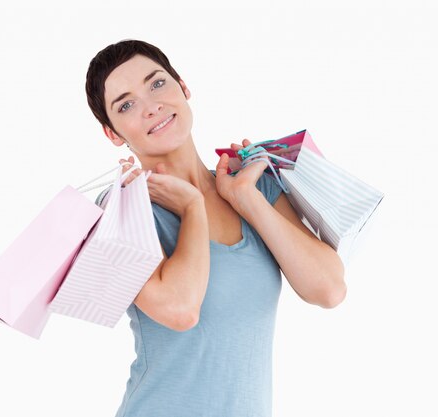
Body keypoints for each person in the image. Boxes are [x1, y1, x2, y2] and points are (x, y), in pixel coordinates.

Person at [85, 39, 346, 417]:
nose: (151, 106)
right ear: (112, 133)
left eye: (157, 84)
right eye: (126, 104)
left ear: (183, 87)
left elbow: (329, 289)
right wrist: (192, 207)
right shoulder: (121, 210)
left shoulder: (254, 184)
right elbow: (179, 310)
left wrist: (247, 199)